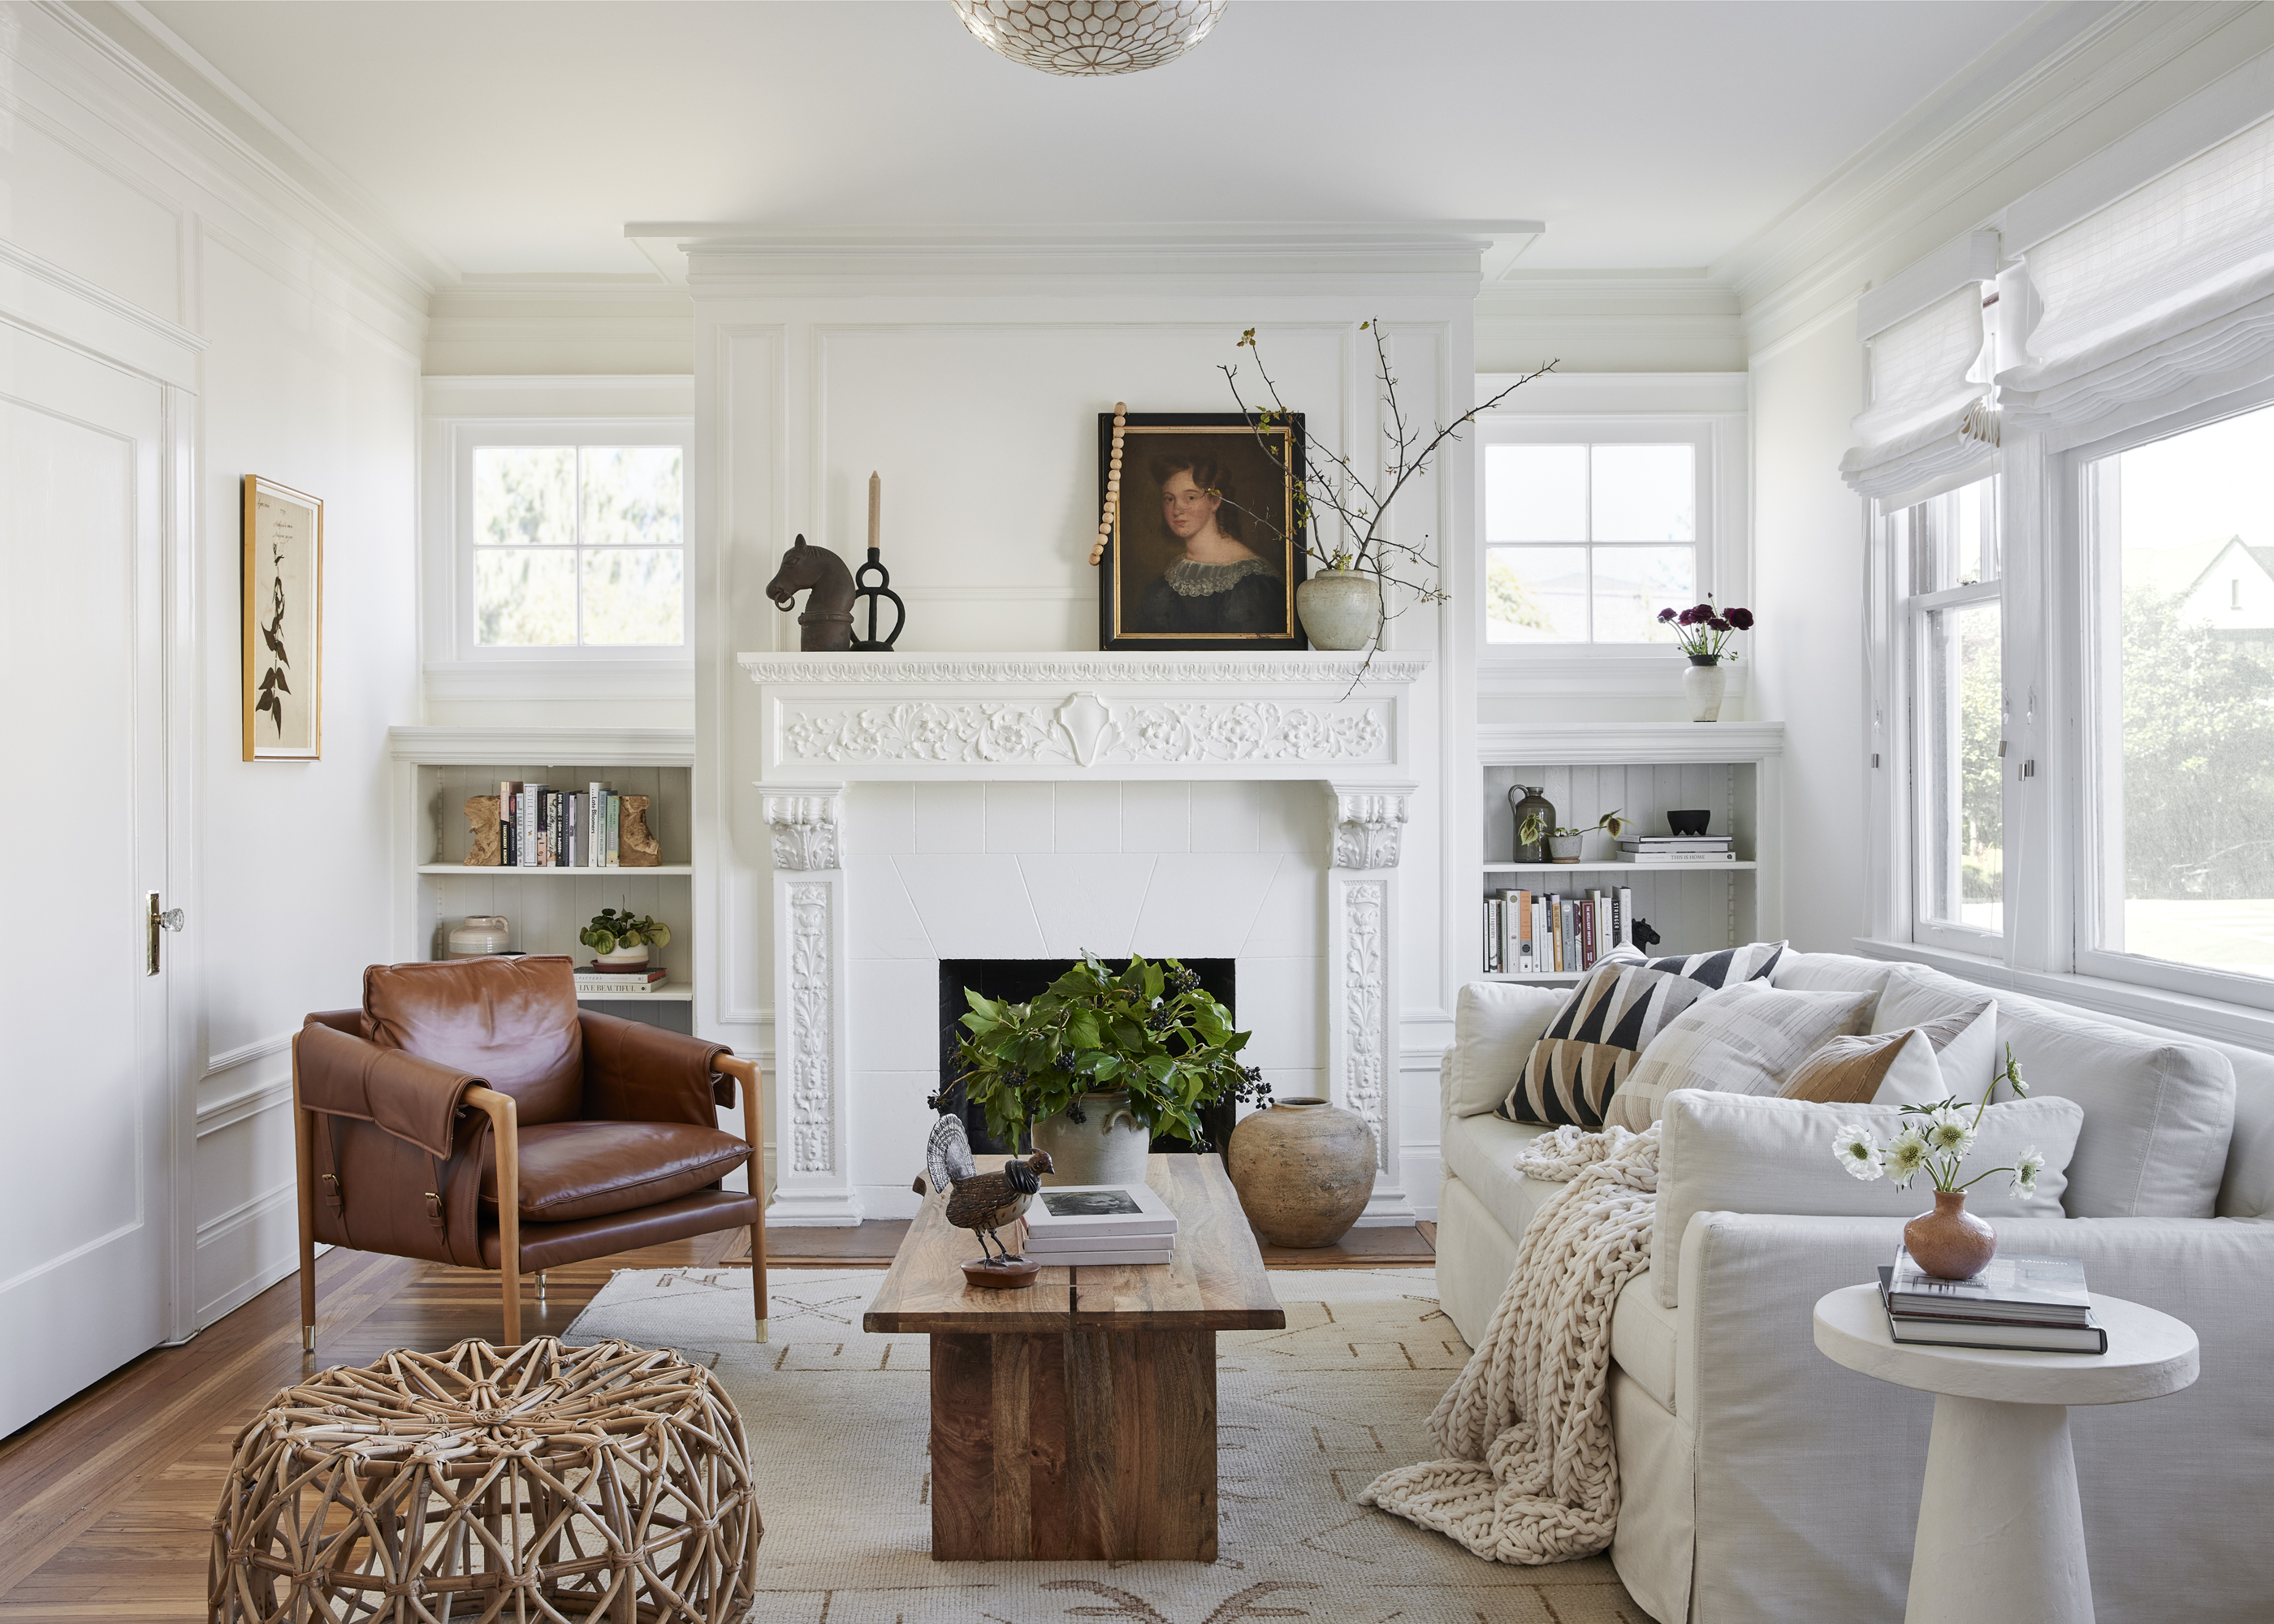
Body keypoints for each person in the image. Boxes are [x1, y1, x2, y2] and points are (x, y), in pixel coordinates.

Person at [1134, 455, 1286, 635]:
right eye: (1169, 499)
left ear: (1215, 501)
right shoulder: (1168, 579)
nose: (1177, 510)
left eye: (1190, 497)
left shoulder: (1254, 582)